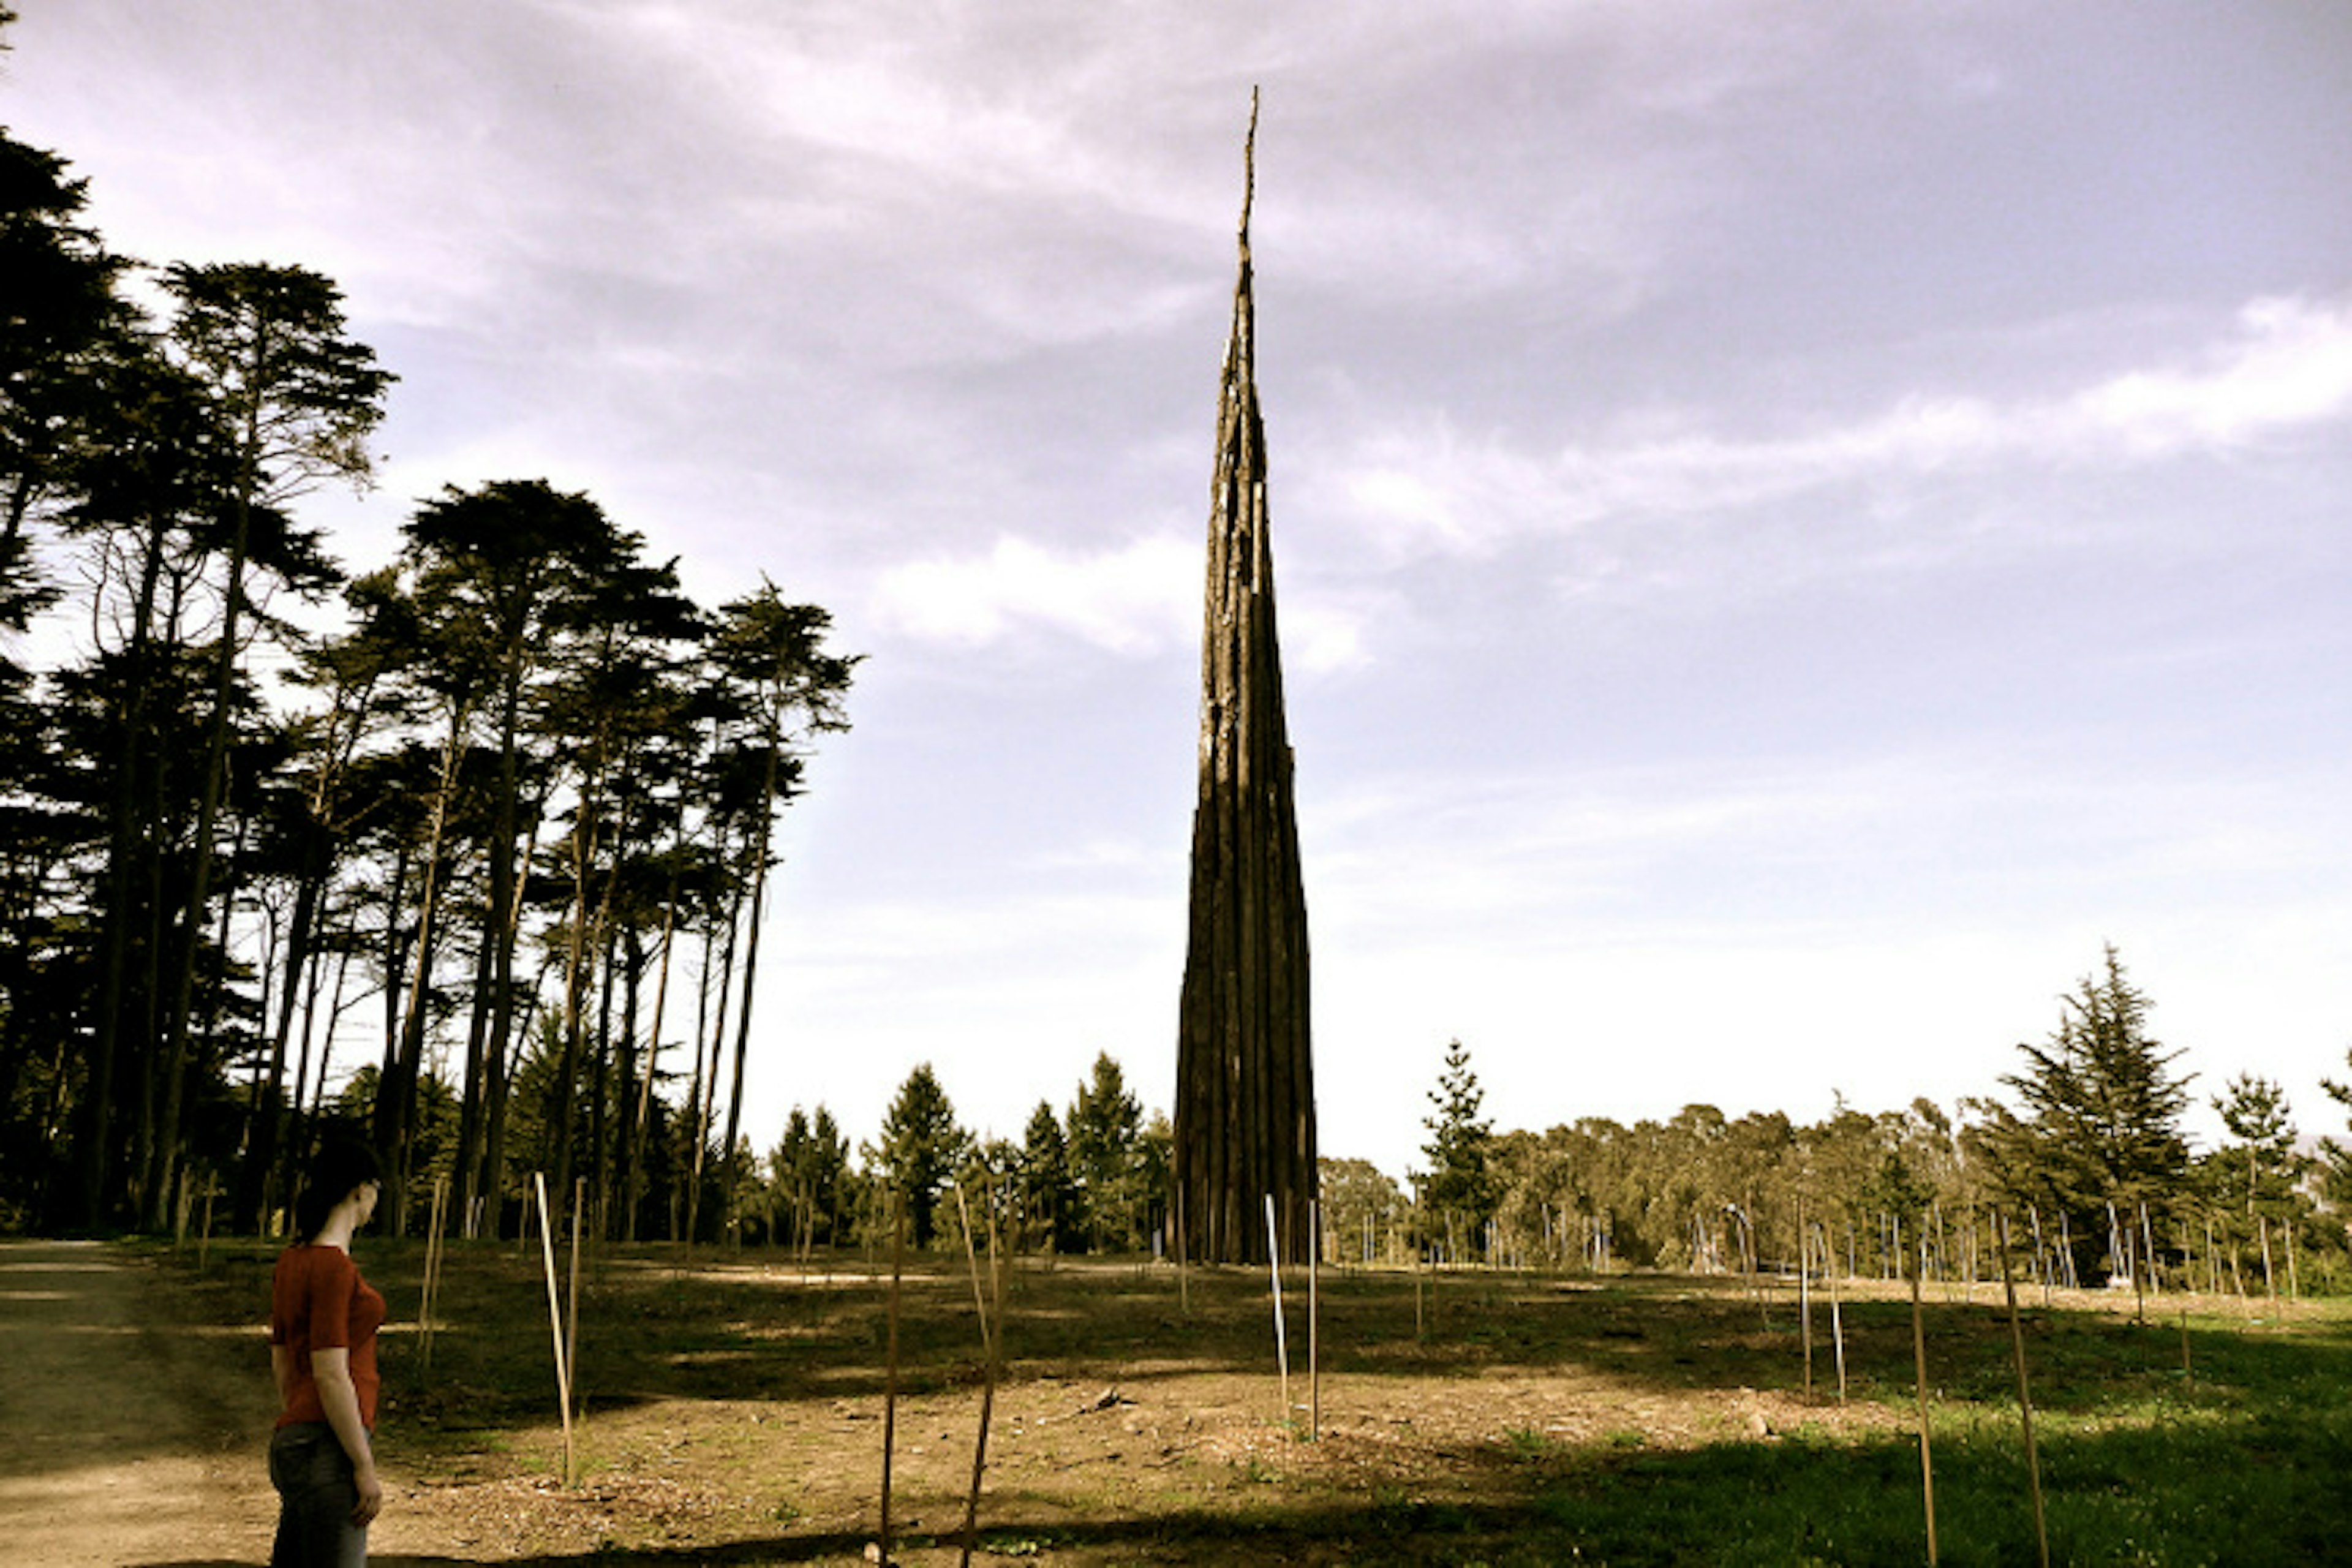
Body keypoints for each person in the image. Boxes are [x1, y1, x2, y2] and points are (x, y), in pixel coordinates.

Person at [268, 1140, 386, 1567]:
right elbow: (331, 1373)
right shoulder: (335, 1268)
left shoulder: (291, 1262)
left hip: (293, 1440)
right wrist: (363, 1464)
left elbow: (281, 1357)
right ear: (360, 1190)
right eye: (377, 1188)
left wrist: (298, 1414)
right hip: (330, 1447)